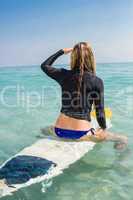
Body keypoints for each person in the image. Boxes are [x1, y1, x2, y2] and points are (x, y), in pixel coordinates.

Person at [40, 42, 127, 148]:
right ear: (91, 58)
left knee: (44, 129)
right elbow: (99, 111)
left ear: (73, 58)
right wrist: (103, 129)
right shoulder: (97, 81)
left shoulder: (63, 75)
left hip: (59, 131)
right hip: (81, 135)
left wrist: (61, 52)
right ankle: (119, 161)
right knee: (122, 139)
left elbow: (44, 66)